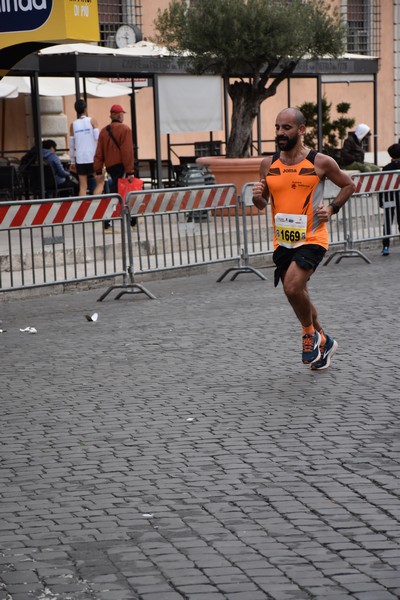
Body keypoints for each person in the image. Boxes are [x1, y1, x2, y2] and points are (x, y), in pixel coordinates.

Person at [252, 108, 355, 370]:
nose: (279, 133)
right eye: (277, 127)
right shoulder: (268, 164)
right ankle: (326, 340)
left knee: (292, 287)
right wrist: (256, 196)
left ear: (301, 130)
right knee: (300, 295)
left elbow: (349, 184)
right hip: (283, 241)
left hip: (312, 237)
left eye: (286, 128)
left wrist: (331, 209)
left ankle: (309, 334)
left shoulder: (319, 162)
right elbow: (262, 203)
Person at [93, 104, 136, 229]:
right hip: (122, 167)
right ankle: (109, 221)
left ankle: (131, 220)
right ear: (120, 115)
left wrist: (98, 169)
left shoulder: (104, 131)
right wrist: (130, 171)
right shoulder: (125, 130)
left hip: (111, 167)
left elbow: (98, 153)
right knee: (124, 193)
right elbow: (127, 152)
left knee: (117, 192)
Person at [69, 98, 100, 196]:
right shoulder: (92, 121)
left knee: (83, 186)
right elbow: (97, 138)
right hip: (92, 157)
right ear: (85, 109)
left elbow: (71, 145)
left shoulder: (73, 125)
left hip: (80, 158)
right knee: (100, 182)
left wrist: (72, 161)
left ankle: (82, 208)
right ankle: (96, 203)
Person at [379, 143, 400, 256]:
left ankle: (386, 246)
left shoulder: (386, 168)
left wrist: (380, 200)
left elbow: (381, 185)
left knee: (387, 221)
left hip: (388, 197)